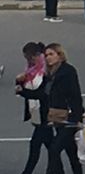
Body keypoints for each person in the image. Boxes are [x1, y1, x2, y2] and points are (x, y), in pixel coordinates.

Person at [43, 42, 84, 174]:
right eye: (46, 55)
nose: (48, 57)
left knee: (55, 149)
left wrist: (76, 117)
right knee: (70, 149)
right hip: (57, 116)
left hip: (69, 116)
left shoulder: (68, 71)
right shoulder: (50, 74)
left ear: (59, 55)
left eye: (51, 54)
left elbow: (75, 95)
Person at [15, 41, 52, 174]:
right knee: (51, 145)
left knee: (35, 145)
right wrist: (19, 81)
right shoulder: (31, 70)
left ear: (36, 56)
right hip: (36, 113)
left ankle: (27, 172)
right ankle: (57, 169)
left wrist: (22, 92)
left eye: (28, 58)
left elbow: (41, 95)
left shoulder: (45, 72)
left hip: (44, 113)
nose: (28, 61)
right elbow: (26, 87)